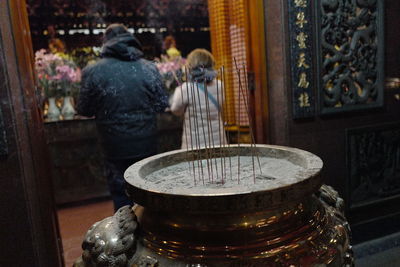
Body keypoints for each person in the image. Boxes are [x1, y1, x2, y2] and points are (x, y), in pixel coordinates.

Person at [77, 24, 169, 211]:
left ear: (106, 42)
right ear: (131, 40)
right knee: (148, 190)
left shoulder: (93, 71)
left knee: (121, 193)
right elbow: (161, 104)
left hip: (114, 145)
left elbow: (84, 109)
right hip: (146, 141)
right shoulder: (149, 68)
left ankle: (126, 234)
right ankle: (151, 235)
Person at [170, 48, 227, 149]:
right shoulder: (219, 85)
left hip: (195, 144)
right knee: (218, 164)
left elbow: (176, 110)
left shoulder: (186, 88)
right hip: (219, 141)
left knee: (197, 165)